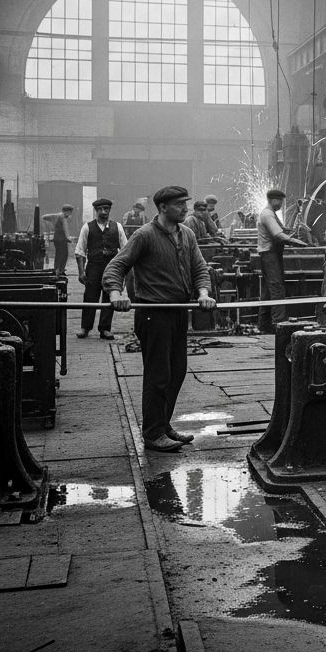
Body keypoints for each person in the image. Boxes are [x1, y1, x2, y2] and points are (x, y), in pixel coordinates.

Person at [103, 186, 216, 453]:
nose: (185, 209)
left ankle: (163, 425)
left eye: (185, 204)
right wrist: (116, 293)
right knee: (159, 375)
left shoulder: (186, 234)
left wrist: (203, 294)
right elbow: (116, 266)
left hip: (178, 312)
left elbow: (199, 268)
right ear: (163, 207)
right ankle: (153, 434)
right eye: (179, 205)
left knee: (177, 371)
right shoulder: (145, 235)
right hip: (153, 313)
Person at [257, 188, 308, 333]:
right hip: (270, 255)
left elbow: (281, 230)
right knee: (277, 288)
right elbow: (278, 235)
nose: (281, 204)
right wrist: (295, 242)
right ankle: (279, 324)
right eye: (279, 200)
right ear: (272, 199)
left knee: (268, 290)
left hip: (271, 254)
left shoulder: (271, 214)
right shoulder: (267, 214)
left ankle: (264, 324)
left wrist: (291, 229)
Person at [74, 198, 127, 340]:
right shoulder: (87, 227)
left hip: (112, 269)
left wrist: (123, 272)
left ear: (109, 210)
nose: (103, 212)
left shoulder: (118, 227)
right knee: (90, 297)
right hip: (93, 268)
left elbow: (125, 251)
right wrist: (81, 272)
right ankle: (85, 327)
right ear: (96, 211)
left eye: (106, 209)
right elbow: (80, 251)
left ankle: (105, 328)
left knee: (110, 297)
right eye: (100, 209)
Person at [47, 204, 75, 275]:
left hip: (57, 238)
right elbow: (65, 228)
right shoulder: (63, 217)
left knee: (58, 254)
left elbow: (45, 217)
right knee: (64, 254)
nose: (70, 214)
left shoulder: (59, 216)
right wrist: (68, 237)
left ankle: (56, 269)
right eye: (70, 212)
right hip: (61, 239)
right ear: (66, 211)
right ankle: (60, 270)